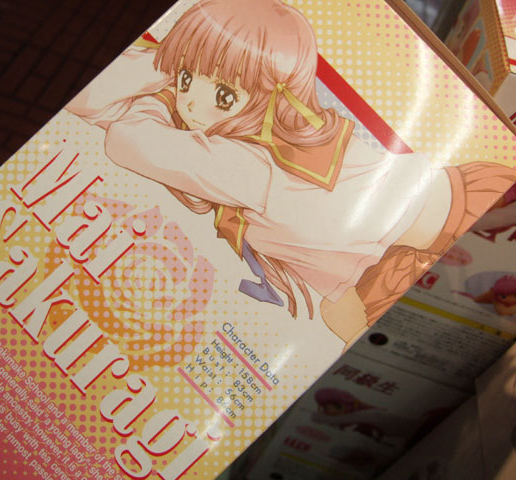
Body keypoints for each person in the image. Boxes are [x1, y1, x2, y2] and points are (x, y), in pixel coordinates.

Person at [66, 0, 516, 345]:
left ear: (272, 95)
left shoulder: (244, 164)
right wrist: (182, 61)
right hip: (395, 261)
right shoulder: (278, 138)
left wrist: (165, 74)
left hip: (437, 221)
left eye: (223, 95)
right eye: (186, 81)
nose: (191, 105)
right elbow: (93, 105)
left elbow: (124, 138)